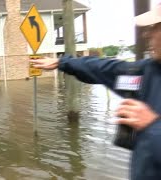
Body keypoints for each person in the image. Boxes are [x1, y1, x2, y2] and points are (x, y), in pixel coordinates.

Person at [30, 5, 161, 180]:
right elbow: (107, 69)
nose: (147, 34)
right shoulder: (148, 72)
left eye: (155, 27)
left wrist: (153, 126)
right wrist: (63, 63)